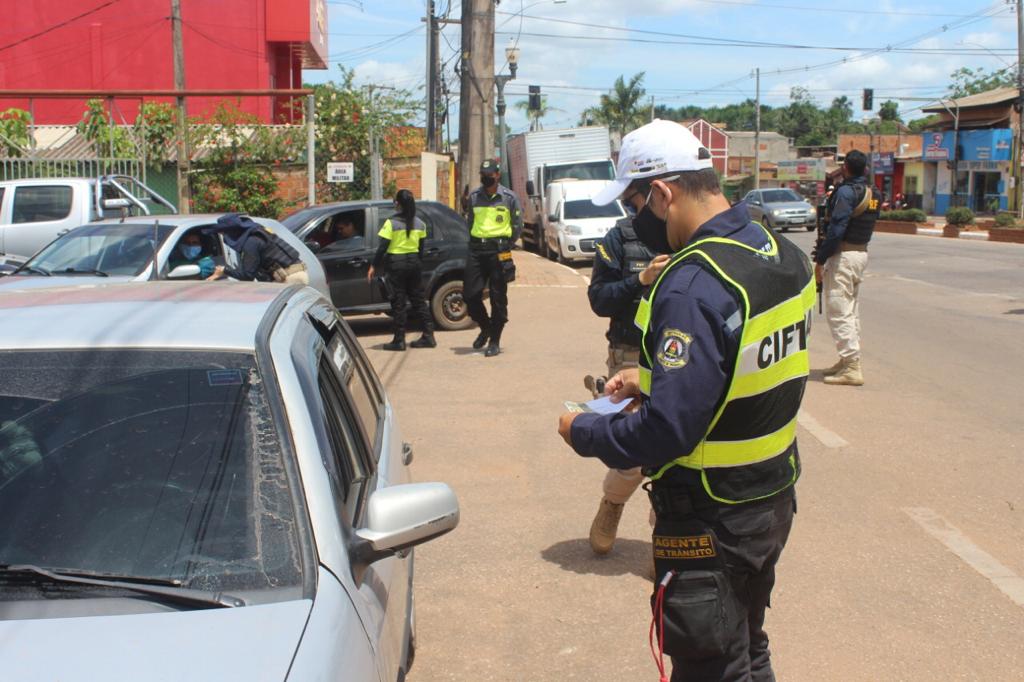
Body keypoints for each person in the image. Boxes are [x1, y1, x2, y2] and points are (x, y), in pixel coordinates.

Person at [557, 120, 813, 682]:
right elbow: (740, 363)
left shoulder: (692, 282)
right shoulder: (778, 251)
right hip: (771, 494)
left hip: (711, 514)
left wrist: (582, 431)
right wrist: (648, 376)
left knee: (710, 666)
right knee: (746, 644)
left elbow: (667, 431)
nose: (637, 217)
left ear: (663, 193)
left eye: (636, 200)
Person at [586, 190, 670, 555]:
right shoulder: (619, 238)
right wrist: (640, 280)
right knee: (635, 451)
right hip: (630, 354)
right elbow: (599, 300)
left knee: (673, 452)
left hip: (679, 355)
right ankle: (612, 504)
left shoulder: (694, 235)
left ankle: (665, 536)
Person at [815, 149, 879, 387]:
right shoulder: (874, 194)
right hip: (861, 252)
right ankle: (847, 360)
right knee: (851, 309)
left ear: (845, 168)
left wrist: (821, 260)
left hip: (843, 256)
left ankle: (852, 366)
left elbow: (837, 228)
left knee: (839, 309)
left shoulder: (845, 193)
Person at [463, 159, 523, 357]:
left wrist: (505, 243)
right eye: (483, 175)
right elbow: (470, 222)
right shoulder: (473, 197)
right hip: (476, 250)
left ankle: (495, 340)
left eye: (489, 175)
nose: (486, 179)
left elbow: (517, 225)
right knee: (470, 295)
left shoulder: (509, 197)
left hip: (499, 251)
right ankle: (486, 327)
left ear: (497, 175)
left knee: (498, 299)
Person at [368, 190, 435, 351]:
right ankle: (429, 336)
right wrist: (416, 264)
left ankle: (399, 340)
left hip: (396, 265)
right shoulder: (420, 224)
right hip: (414, 264)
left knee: (398, 302)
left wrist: (373, 266)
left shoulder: (391, 223)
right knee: (418, 300)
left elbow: (383, 247)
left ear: (398, 204)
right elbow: (421, 250)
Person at [211, 213, 308, 286]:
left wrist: (224, 270)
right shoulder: (258, 233)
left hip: (290, 279)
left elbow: (247, 275)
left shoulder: (251, 242)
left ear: (232, 232)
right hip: (297, 274)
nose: (224, 237)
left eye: (224, 234)